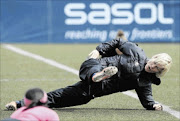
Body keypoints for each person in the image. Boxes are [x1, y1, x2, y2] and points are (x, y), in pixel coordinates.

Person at [6, 38, 172, 111]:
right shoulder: (138, 52)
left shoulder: (144, 81)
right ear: (154, 57)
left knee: (61, 97)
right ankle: (99, 75)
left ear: (159, 72)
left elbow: (146, 98)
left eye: (157, 68)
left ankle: (19, 104)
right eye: (155, 62)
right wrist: (99, 50)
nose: (153, 66)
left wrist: (152, 105)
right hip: (96, 64)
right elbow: (118, 42)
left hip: (95, 89)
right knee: (94, 71)